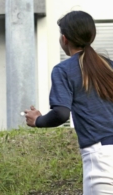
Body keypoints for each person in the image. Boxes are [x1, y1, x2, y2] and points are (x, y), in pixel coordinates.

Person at [25, 11, 113, 195]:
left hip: (100, 158)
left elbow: (61, 113)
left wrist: (38, 120)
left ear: (64, 39)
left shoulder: (63, 70)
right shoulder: (109, 65)